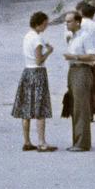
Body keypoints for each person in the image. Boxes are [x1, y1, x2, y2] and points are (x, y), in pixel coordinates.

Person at [11, 10, 57, 152]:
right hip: (37, 73)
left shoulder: (27, 36)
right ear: (39, 24)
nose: (46, 27)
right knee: (40, 108)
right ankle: (42, 142)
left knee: (26, 108)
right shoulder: (37, 39)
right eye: (44, 24)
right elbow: (39, 60)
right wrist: (49, 51)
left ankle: (27, 141)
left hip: (27, 72)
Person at [62, 10, 95, 151]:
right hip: (73, 71)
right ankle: (77, 140)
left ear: (77, 22)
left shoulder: (85, 36)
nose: (67, 24)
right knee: (75, 106)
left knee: (81, 107)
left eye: (69, 21)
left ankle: (82, 142)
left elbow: (92, 56)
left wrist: (74, 57)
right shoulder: (72, 37)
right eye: (66, 21)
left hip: (82, 70)